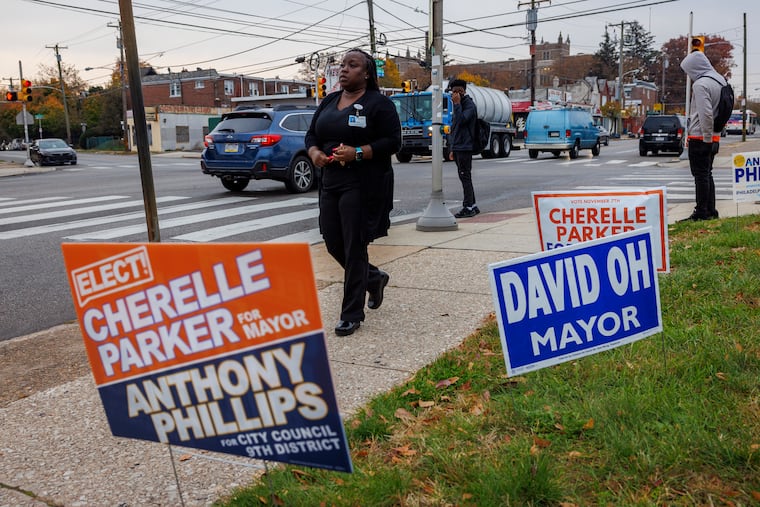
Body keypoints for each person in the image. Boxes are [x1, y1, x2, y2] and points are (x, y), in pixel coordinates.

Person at [306, 48, 401, 337]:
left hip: (362, 183)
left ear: (367, 73)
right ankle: (374, 278)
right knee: (333, 241)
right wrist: (313, 153)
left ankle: (351, 313)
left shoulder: (379, 105)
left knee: (354, 245)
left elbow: (393, 142)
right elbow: (312, 135)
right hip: (330, 181)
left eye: (352, 64)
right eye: (342, 64)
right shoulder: (330, 101)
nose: (344, 69)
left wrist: (358, 152)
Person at [680, 50, 725, 221]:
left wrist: (705, 138)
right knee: (707, 174)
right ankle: (710, 210)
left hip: (701, 137)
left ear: (695, 68)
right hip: (714, 136)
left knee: (700, 176)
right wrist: (713, 136)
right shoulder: (720, 80)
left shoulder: (700, 85)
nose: (689, 75)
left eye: (689, 71)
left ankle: (701, 213)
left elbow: (705, 113)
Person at [447, 78, 480, 218]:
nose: (453, 95)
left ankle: (468, 207)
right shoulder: (459, 105)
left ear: (462, 91)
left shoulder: (469, 105)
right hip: (459, 146)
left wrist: (457, 104)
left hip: (465, 147)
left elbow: (461, 121)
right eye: (452, 92)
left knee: (465, 176)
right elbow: (455, 128)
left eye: (456, 92)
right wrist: (452, 148)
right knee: (464, 177)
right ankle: (473, 205)